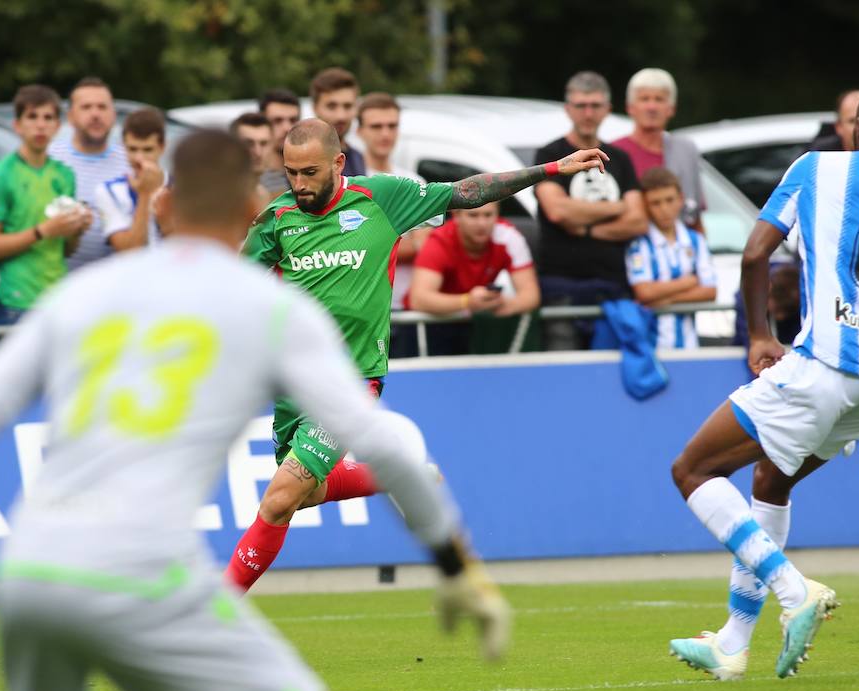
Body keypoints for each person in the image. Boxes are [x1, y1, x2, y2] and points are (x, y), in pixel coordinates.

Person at [0, 128, 511, 691]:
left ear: (163, 205)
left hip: (29, 569)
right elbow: (390, 447)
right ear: (252, 207)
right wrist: (456, 570)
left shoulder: (84, 295)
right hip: (144, 570)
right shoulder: (271, 309)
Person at [224, 118, 606, 592]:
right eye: (291, 173)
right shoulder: (276, 220)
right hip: (293, 383)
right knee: (302, 496)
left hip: (351, 382)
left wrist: (549, 168)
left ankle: (210, 618)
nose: (299, 185)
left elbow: (466, 192)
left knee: (279, 498)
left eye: (310, 173)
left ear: (339, 163)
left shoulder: (381, 198)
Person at [668, 84, 859, 681]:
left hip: (824, 359)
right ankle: (731, 643)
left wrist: (758, 336)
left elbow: (754, 255)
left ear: (856, 127)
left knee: (693, 470)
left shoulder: (819, 167)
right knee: (771, 480)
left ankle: (794, 591)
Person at [534, 71, 648, 350]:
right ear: (567, 109)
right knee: (562, 375)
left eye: (595, 105)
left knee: (610, 378)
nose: (588, 113)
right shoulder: (549, 155)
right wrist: (616, 208)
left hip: (615, 289)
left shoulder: (619, 158)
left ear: (607, 109)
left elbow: (637, 221)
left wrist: (585, 227)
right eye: (580, 105)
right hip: (560, 289)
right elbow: (558, 211)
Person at [0, 85, 90, 325]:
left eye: (48, 118)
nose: (40, 125)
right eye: (32, 116)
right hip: (16, 304)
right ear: (17, 125)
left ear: (58, 127)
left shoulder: (64, 175)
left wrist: (77, 230)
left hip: (58, 301)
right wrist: (42, 231)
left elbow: (65, 249)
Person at [405, 201, 540, 355]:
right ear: (456, 216)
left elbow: (531, 295)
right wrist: (467, 301)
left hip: (471, 325)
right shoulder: (439, 241)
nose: (482, 223)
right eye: (473, 215)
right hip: (427, 326)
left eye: (488, 215)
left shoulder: (509, 236)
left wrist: (504, 305)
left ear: (498, 214)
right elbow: (419, 299)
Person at [624, 167, 717, 349]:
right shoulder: (639, 243)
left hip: (690, 347)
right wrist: (690, 282)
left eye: (669, 200)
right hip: (652, 347)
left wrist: (665, 300)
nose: (664, 209)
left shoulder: (695, 240)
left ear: (681, 199)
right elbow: (644, 292)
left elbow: (710, 291)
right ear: (645, 205)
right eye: (656, 203)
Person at [48, 77, 128, 271]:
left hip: (115, 288)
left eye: (102, 107)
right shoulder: (49, 159)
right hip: (57, 286)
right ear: (70, 116)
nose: (95, 114)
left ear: (114, 115)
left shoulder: (132, 163)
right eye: (86, 107)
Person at [611, 69, 706, 227]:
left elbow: (694, 216)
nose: (652, 107)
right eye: (644, 99)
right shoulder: (614, 152)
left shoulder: (686, 150)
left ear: (672, 109)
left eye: (659, 99)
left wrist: (701, 249)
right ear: (630, 107)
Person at [356, 92, 437, 268]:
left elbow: (424, 245)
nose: (385, 134)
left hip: (406, 292)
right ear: (359, 132)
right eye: (376, 126)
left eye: (392, 126)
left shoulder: (414, 181)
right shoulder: (350, 180)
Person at [97, 107, 168, 253]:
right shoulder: (109, 191)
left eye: (147, 150)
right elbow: (130, 251)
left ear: (162, 147)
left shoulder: (182, 188)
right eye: (132, 149)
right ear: (123, 146)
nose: (139, 158)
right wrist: (145, 195)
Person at [310, 67, 366, 177]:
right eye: (332, 106)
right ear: (315, 108)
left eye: (347, 106)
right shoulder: (302, 158)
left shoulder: (358, 157)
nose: (341, 116)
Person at [258, 89, 301, 198]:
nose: (287, 128)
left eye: (293, 120)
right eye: (277, 120)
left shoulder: (311, 174)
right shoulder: (251, 180)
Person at [229, 111, 275, 207]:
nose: (258, 152)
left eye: (264, 143)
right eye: (249, 143)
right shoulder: (219, 195)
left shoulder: (263, 194)